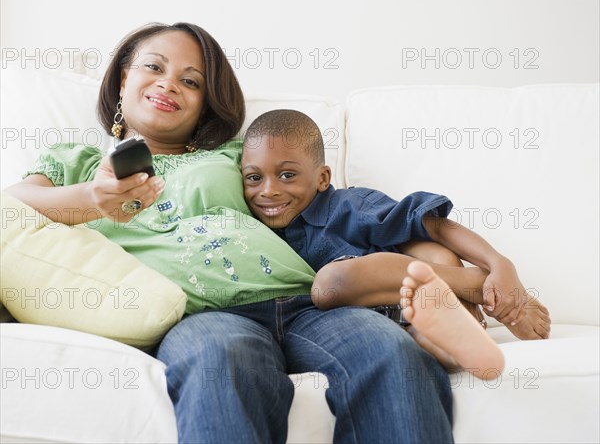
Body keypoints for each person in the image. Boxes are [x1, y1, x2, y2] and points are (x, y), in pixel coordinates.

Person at [5, 23, 455, 443]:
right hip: (203, 317)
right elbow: (12, 209)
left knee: (392, 354)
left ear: (205, 103)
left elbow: (336, 207)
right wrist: (92, 199)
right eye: (154, 67)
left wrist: (443, 263)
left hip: (307, 301)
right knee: (219, 363)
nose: (169, 85)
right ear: (124, 79)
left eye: (191, 81)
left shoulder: (237, 154)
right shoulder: (76, 162)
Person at [241, 109, 551, 374]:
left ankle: (476, 285)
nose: (268, 190)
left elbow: (437, 228)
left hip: (410, 291)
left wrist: (499, 264)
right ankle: (464, 337)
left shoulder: (349, 206)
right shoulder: (251, 233)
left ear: (323, 178)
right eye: (254, 178)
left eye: (286, 175)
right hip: (397, 326)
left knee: (333, 283)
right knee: (435, 351)